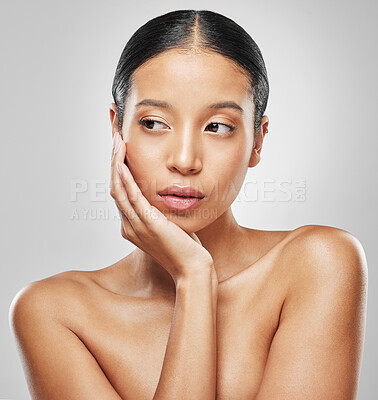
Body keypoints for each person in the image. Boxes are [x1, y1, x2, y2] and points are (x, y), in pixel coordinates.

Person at [9, 9, 368, 400]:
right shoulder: (54, 312)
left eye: (217, 126)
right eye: (154, 123)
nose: (184, 159)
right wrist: (194, 278)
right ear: (117, 128)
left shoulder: (317, 263)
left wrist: (194, 277)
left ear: (257, 141)